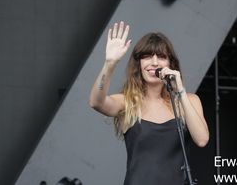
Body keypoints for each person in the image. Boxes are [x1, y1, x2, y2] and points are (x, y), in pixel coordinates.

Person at [89, 21, 209, 185]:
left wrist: (180, 92)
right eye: (147, 56)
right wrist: (109, 64)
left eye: (161, 56)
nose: (154, 62)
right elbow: (96, 102)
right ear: (139, 64)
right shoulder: (128, 101)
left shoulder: (189, 101)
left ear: (170, 64)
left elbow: (202, 139)